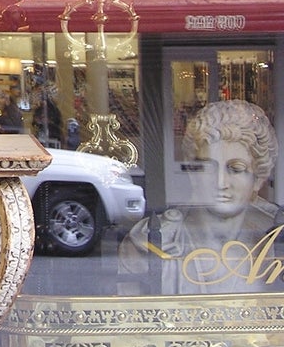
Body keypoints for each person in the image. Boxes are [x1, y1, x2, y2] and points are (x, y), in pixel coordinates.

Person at [119, 100, 282, 294]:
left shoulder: (276, 238)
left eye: (236, 169)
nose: (221, 183)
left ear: (259, 178)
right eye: (207, 168)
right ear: (192, 173)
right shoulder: (149, 241)